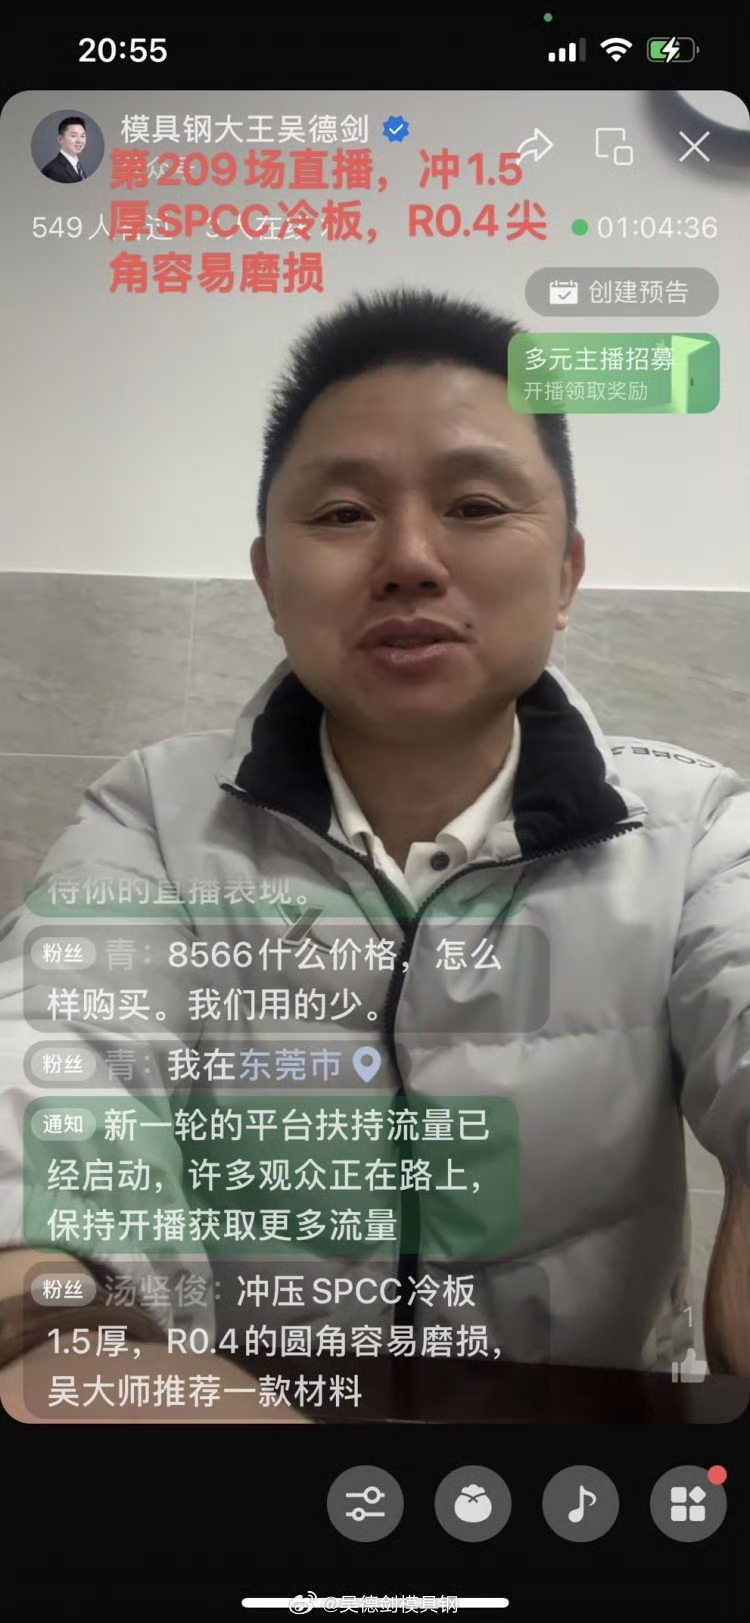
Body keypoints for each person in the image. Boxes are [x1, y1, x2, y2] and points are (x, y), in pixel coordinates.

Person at [1, 289, 748, 1423]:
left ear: (567, 574)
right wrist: (51, 1316)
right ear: (268, 578)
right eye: (344, 513)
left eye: (476, 505)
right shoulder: (154, 819)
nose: (408, 559)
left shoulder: (691, 831)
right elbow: (49, 1055)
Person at [41, 116, 88, 183]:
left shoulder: (77, 165)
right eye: (74, 136)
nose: (79, 141)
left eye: (82, 136)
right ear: (60, 139)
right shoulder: (52, 170)